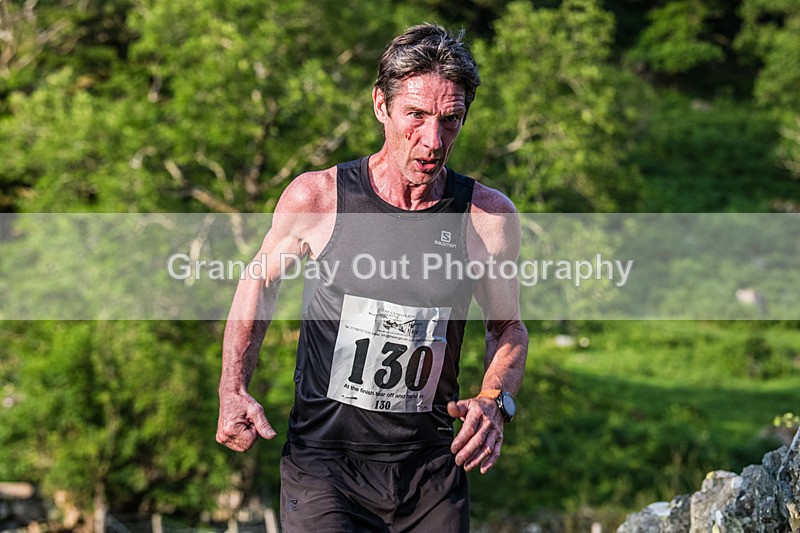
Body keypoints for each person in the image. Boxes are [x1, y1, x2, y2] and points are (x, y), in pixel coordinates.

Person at [216, 23, 528, 532]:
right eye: (416, 116)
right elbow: (260, 282)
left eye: (451, 120)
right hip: (325, 466)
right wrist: (233, 387)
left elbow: (508, 328)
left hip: (430, 470)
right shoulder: (317, 199)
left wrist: (495, 401)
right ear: (381, 105)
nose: (433, 140)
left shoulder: (486, 218)